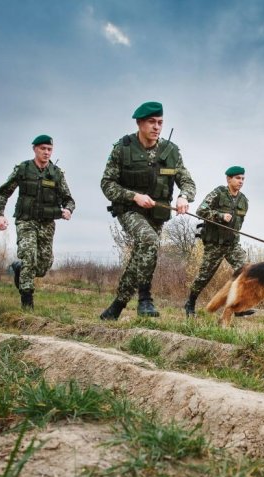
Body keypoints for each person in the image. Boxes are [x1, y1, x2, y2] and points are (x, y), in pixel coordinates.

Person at [100, 101, 196, 320]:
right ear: (139, 123)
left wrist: (183, 197)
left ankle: (117, 306)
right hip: (130, 210)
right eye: (151, 122)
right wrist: (134, 196)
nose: (156, 127)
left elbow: (187, 181)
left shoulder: (171, 151)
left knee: (143, 254)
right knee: (149, 241)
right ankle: (145, 300)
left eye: (160, 122)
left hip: (157, 214)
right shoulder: (122, 148)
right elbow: (107, 184)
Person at [0, 135, 75, 309]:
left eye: (49, 149)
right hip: (26, 221)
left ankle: (19, 267)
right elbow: (2, 193)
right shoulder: (23, 169)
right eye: (42, 148)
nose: (46, 152)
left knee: (43, 265)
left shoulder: (56, 173)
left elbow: (68, 199)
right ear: (34, 149)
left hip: (47, 223)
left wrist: (68, 209)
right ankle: (27, 303)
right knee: (29, 256)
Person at [184, 166, 254, 317]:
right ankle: (190, 303)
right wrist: (220, 216)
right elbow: (200, 211)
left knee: (245, 271)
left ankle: (238, 307)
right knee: (204, 276)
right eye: (237, 178)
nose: (241, 181)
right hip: (214, 243)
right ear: (229, 179)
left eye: (243, 178)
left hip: (232, 244)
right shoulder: (218, 193)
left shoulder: (243, 200)